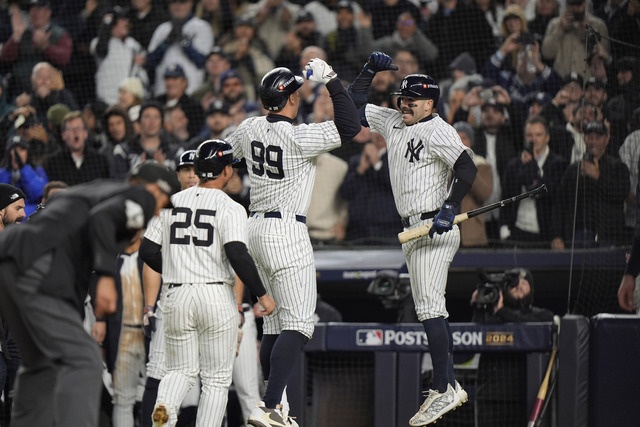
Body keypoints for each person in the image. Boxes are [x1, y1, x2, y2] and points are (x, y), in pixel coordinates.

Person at [225, 58, 360, 426]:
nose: (299, 97)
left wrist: (358, 80)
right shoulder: (300, 136)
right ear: (288, 100)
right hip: (286, 231)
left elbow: (227, 156)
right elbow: (349, 127)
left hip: (254, 229)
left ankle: (276, 405)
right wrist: (332, 79)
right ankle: (269, 406)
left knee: (274, 326)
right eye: (296, 93)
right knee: (300, 324)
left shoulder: (249, 126)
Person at [0, 161, 180, 427]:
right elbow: (104, 221)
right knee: (84, 360)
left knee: (39, 365)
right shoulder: (139, 194)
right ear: (156, 189)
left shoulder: (93, 190)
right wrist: (107, 277)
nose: (157, 211)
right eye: (162, 202)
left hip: (10, 260)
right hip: (36, 264)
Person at [347, 51, 475, 425]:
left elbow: (466, 166)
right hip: (412, 229)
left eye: (411, 100)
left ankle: (444, 388)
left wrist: (451, 207)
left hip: (436, 225)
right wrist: (368, 71)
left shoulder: (439, 129)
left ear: (430, 103)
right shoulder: (393, 122)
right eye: (401, 99)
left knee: (431, 309)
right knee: (428, 309)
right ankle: (447, 385)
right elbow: (352, 107)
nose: (403, 104)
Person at [139, 139, 276, 427]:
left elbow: (148, 251)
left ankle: (164, 405)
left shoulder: (171, 203)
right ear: (225, 170)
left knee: (179, 370)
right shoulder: (231, 206)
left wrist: (176, 269)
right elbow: (237, 253)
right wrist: (263, 295)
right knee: (215, 380)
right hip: (215, 294)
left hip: (177, 295)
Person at [44, 110, 111, 186]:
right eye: (71, 129)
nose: (75, 133)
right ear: (63, 135)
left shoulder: (100, 161)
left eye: (79, 128)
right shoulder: (54, 163)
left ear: (85, 133)